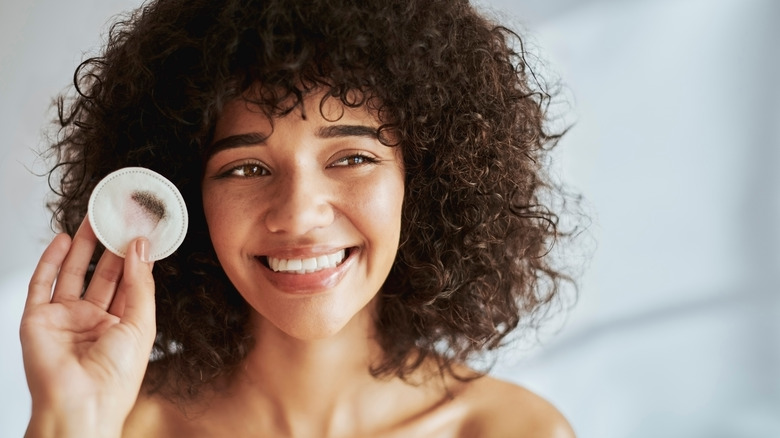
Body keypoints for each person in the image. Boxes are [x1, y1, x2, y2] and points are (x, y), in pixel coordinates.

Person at [20, 0, 577, 436]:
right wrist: (70, 419)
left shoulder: (511, 430)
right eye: (245, 169)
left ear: (427, 182)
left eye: (353, 158)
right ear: (186, 199)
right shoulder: (114, 427)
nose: (299, 214)